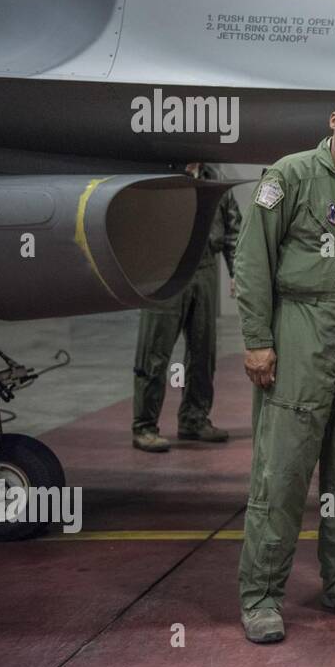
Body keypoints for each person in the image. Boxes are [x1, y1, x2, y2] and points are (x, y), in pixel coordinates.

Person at [234, 88, 335, 644]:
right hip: (301, 334)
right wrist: (258, 339)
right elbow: (253, 257)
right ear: (334, 121)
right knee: (281, 475)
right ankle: (261, 596)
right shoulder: (290, 175)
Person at [131, 163, 241, 453]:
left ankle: (194, 419)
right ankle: (144, 426)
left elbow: (233, 230)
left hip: (204, 270)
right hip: (163, 270)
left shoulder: (215, 179)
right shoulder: (158, 177)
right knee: (154, 353)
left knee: (203, 352)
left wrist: (236, 272)